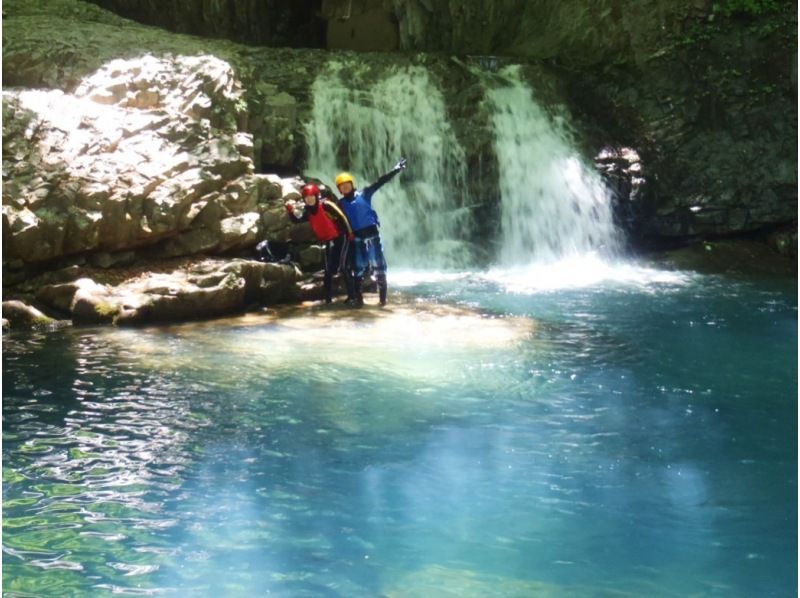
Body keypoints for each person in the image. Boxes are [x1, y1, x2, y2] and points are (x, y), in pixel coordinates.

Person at [335, 158, 406, 306]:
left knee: (379, 267)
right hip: (357, 239)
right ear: (339, 190)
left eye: (347, 185)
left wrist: (395, 170)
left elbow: (380, 182)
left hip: (372, 236)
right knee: (358, 268)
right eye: (342, 187)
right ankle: (359, 300)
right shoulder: (340, 204)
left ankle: (382, 300)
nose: (345, 188)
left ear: (352, 185)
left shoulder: (365, 194)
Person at [285, 183, 355, 304]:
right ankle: (328, 298)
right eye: (307, 198)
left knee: (343, 267)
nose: (310, 200)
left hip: (341, 237)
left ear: (317, 196)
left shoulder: (327, 205)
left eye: (312, 197)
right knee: (328, 270)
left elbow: (342, 217)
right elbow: (298, 220)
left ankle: (353, 296)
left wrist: (350, 233)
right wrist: (291, 211)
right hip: (328, 240)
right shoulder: (308, 211)